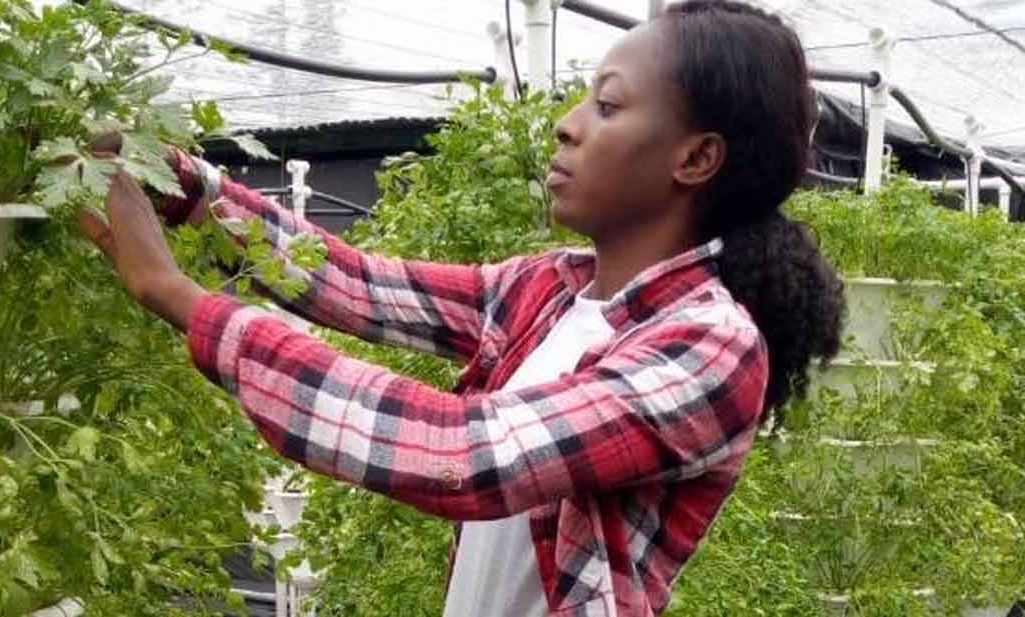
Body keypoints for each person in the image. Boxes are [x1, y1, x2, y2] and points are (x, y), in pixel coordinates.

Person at [76, 1, 843, 615]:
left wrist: (179, 297)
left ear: (695, 157)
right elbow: (355, 282)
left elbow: (463, 456)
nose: (568, 121)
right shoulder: (550, 288)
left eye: (608, 106)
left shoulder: (710, 346)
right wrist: (181, 189)